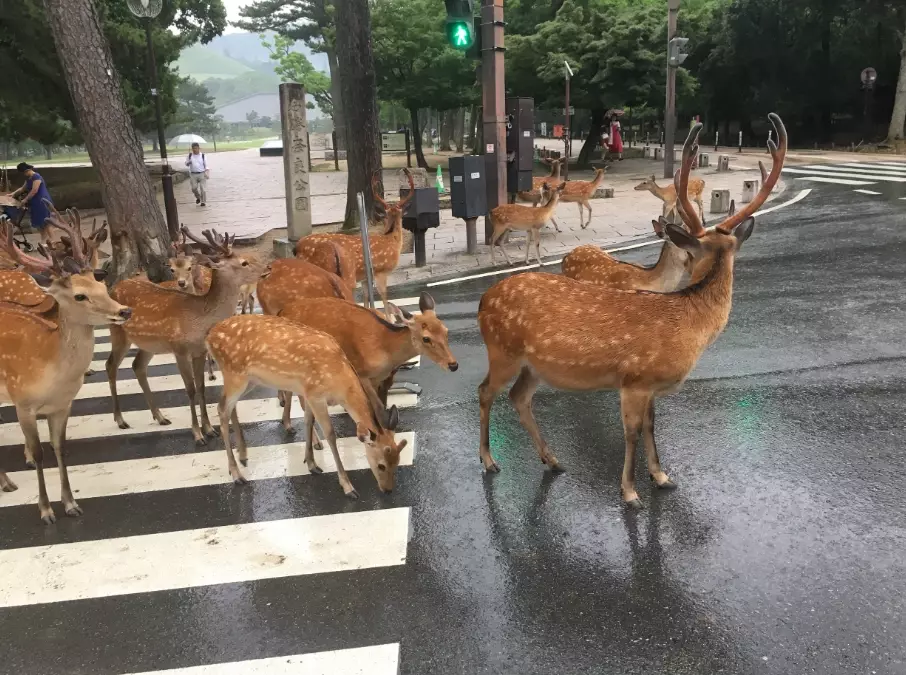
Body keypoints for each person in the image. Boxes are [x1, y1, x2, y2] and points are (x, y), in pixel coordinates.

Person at [10, 163, 54, 245]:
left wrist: (25, 199)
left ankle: (52, 241)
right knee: (39, 223)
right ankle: (44, 240)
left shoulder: (36, 176)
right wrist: (12, 194)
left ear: (27, 170)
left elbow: (34, 190)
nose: (24, 174)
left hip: (42, 201)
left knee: (46, 221)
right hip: (35, 202)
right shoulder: (29, 179)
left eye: (24, 172)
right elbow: (22, 189)